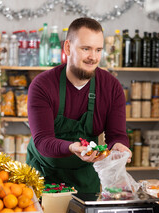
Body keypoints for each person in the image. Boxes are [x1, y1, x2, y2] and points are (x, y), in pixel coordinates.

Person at [26, 17, 131, 194]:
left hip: (84, 178)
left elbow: (117, 135)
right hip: (43, 176)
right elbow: (43, 141)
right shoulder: (42, 85)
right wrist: (71, 147)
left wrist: (119, 146)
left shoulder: (111, 88)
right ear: (67, 48)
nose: (93, 57)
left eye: (98, 50)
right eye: (86, 49)